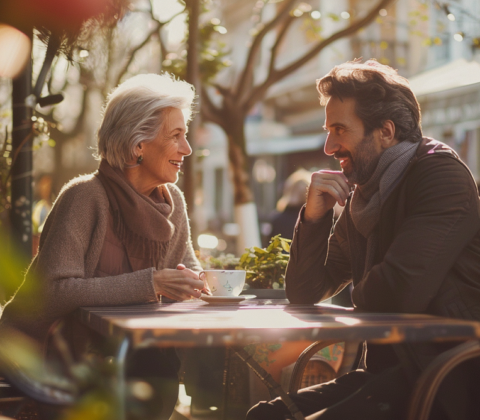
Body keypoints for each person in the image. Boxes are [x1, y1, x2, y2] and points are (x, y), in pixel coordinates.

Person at [247, 59, 480, 420]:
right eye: (328, 130)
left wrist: (363, 290)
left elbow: (398, 292)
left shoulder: (440, 176)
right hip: (392, 371)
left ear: (385, 132)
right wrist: (314, 217)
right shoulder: (365, 194)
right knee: (264, 415)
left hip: (449, 375)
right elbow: (306, 291)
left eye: (339, 129)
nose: (328, 146)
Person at [1, 73, 208, 419]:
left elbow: (187, 267)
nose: (187, 149)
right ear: (137, 144)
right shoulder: (85, 197)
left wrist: (203, 282)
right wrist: (151, 283)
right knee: (146, 370)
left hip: (121, 354)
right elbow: (53, 292)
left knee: (157, 366)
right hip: (42, 355)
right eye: (176, 136)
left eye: (185, 135)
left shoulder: (173, 201)